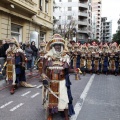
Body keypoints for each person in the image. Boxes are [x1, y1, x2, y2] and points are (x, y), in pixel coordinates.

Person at [41, 34, 76, 120]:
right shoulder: (47, 57)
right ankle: (50, 114)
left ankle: (66, 115)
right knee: (50, 98)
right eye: (55, 45)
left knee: (64, 98)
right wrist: (44, 77)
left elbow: (69, 70)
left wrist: (75, 71)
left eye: (59, 45)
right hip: (50, 81)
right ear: (52, 46)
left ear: (62, 46)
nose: (57, 47)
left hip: (62, 81)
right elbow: (42, 71)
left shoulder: (66, 57)